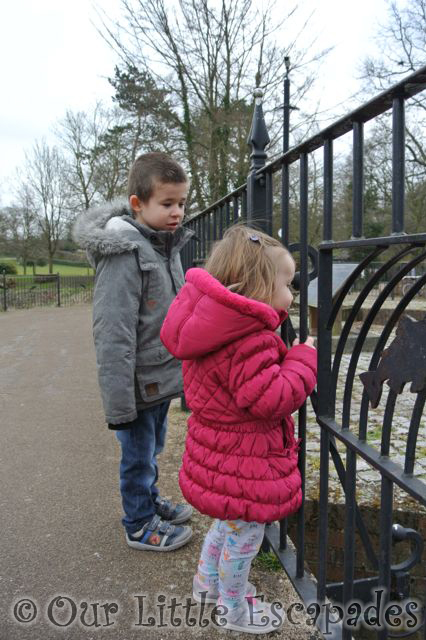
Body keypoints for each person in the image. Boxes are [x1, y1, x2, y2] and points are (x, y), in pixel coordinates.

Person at [160, 224, 317, 633]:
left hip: (219, 452)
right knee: (245, 539)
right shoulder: (249, 339)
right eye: (287, 283)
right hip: (245, 462)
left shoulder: (212, 331)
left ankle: (206, 587)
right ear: (258, 287)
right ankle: (233, 609)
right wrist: (303, 359)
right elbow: (272, 397)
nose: (292, 293)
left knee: (225, 526)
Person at [72, 152, 194, 552]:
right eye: (167, 204)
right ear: (138, 203)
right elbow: (112, 333)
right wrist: (119, 403)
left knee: (152, 449)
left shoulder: (163, 244)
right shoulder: (124, 252)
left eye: (181, 203)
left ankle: (148, 499)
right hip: (137, 383)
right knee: (138, 455)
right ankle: (138, 522)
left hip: (159, 377)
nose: (177, 212)